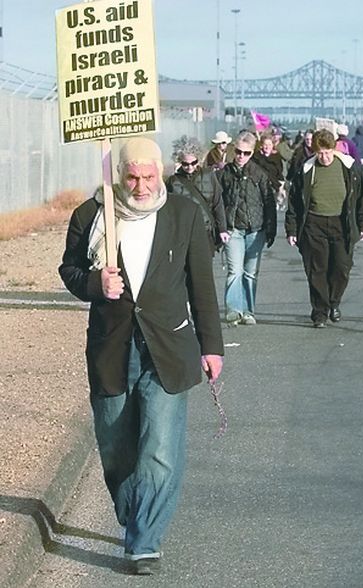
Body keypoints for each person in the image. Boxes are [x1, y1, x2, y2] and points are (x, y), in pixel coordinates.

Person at [59, 137, 224, 575]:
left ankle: (144, 541)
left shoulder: (184, 215)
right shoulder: (91, 215)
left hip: (169, 346)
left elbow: (201, 287)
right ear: (120, 175)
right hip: (112, 347)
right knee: (116, 445)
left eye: (149, 176)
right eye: (132, 176)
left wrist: (212, 347)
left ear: (160, 172)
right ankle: (133, 514)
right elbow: (69, 270)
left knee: (160, 447)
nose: (141, 185)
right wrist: (97, 284)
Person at [285, 129, 363, 328]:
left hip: (342, 224)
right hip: (314, 224)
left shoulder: (349, 169)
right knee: (317, 270)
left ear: (334, 149)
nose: (324, 157)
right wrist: (291, 229)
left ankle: (334, 303)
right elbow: (294, 203)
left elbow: (361, 199)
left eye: (327, 152)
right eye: (320, 153)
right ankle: (320, 312)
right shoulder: (306, 170)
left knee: (341, 268)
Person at [219, 131, 277, 326]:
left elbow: (269, 203)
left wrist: (271, 229)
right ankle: (234, 310)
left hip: (255, 229)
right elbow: (217, 202)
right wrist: (220, 228)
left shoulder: (259, 174)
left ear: (252, 153)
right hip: (233, 228)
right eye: (238, 151)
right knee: (234, 270)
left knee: (250, 273)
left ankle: (248, 311)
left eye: (246, 153)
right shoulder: (225, 173)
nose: (241, 156)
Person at [166, 135, 229, 254]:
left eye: (193, 163)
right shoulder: (172, 181)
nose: (190, 167)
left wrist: (222, 229)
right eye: (185, 164)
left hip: (206, 232)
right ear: (179, 161)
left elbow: (218, 204)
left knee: (204, 270)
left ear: (198, 160)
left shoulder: (209, 175)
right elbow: (169, 211)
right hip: (183, 234)